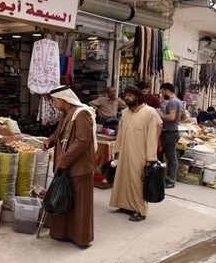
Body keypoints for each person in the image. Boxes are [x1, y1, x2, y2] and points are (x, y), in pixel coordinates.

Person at [41, 85, 97, 247]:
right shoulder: (66, 114)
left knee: (79, 204)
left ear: (63, 100)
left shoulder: (82, 114)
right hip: (66, 165)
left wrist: (64, 159)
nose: (54, 104)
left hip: (79, 167)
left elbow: (82, 140)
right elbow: (58, 134)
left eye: (55, 101)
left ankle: (81, 238)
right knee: (63, 198)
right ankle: (62, 233)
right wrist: (49, 142)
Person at [109, 86, 162, 222]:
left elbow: (153, 135)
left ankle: (140, 211)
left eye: (130, 96)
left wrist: (151, 158)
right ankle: (126, 205)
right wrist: (117, 151)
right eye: (125, 95)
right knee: (123, 179)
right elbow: (120, 133)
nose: (126, 98)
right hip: (125, 152)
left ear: (137, 97)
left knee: (137, 181)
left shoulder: (149, 112)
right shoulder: (125, 112)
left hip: (140, 153)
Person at [159, 82, 185, 188]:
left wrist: (159, 116)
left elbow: (171, 117)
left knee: (172, 157)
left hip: (170, 133)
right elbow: (184, 117)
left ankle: (171, 180)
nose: (161, 94)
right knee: (170, 157)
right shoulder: (179, 101)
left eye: (162, 92)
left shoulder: (172, 102)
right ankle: (167, 177)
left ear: (167, 91)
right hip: (172, 131)